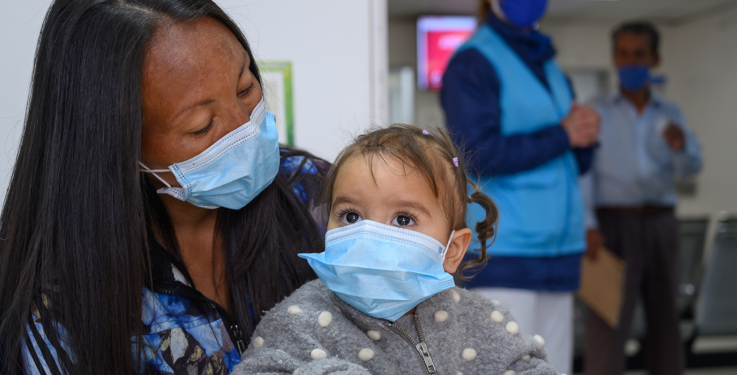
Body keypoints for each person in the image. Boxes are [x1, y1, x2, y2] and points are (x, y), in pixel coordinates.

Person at [0, 1, 330, 374]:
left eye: (246, 88)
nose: (246, 128)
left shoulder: (317, 195)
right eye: (201, 125)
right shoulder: (66, 310)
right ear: (117, 146)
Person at [233, 124, 558, 375]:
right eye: (351, 216)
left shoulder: (484, 321)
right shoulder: (298, 320)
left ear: (453, 250)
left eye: (403, 219)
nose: (369, 236)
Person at [440, 1, 600, 373]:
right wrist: (562, 134)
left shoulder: (548, 63)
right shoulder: (473, 63)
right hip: (505, 252)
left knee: (554, 368)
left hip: (559, 251)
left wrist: (585, 138)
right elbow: (476, 154)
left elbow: (570, 162)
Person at [582, 21, 702, 375]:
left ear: (655, 59)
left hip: (660, 222)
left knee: (666, 319)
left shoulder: (670, 113)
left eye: (638, 55)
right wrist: (588, 224)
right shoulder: (596, 111)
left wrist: (681, 148)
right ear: (614, 58)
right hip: (611, 225)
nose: (629, 62)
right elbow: (583, 173)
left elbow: (691, 167)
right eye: (623, 54)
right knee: (608, 323)